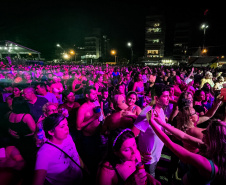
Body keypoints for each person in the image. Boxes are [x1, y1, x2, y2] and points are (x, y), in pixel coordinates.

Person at [149, 112, 226, 185]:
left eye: (207, 132)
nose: (203, 133)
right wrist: (162, 123)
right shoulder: (209, 147)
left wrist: (151, 123)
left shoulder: (207, 165)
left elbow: (171, 145)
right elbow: (184, 136)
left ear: (214, 140)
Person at [97, 128, 161, 185]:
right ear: (116, 152)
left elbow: (139, 171)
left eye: (134, 144)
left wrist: (150, 178)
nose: (134, 151)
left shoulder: (136, 154)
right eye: (127, 150)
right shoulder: (107, 170)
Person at [32, 113, 83, 185]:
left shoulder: (68, 137)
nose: (67, 128)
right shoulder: (44, 153)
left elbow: (76, 156)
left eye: (66, 125)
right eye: (62, 126)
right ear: (51, 132)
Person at [131, 84, 169, 177]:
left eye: (168, 96)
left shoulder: (161, 109)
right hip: (148, 159)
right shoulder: (147, 112)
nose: (168, 98)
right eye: (165, 96)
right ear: (156, 98)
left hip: (156, 154)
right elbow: (131, 136)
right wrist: (138, 153)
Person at [76, 86, 103, 179]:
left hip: (98, 136)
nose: (96, 95)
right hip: (88, 139)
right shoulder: (82, 108)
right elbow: (78, 126)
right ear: (87, 95)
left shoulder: (95, 104)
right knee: (91, 161)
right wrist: (93, 118)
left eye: (96, 93)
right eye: (93, 93)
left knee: (99, 158)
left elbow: (100, 116)